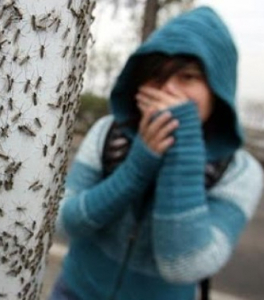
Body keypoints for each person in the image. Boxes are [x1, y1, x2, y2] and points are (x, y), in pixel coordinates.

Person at [50, 6, 263, 300]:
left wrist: (183, 145)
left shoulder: (240, 171)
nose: (169, 90)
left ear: (217, 87)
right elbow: (66, 222)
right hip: (74, 292)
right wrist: (137, 166)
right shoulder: (107, 132)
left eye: (187, 77)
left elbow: (184, 264)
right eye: (156, 77)